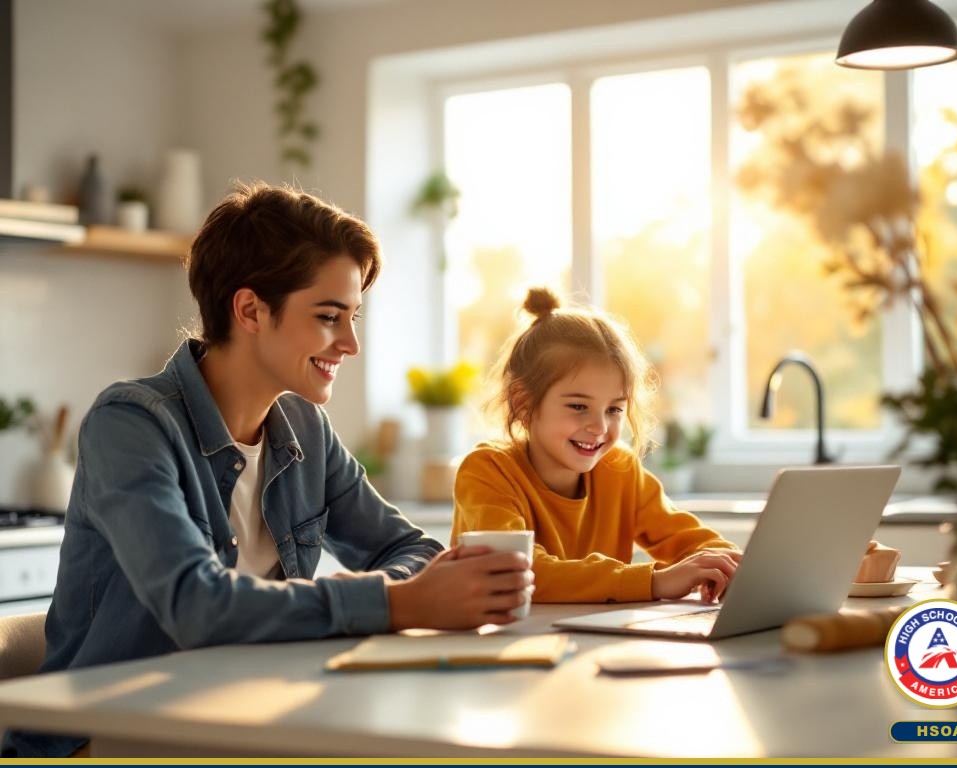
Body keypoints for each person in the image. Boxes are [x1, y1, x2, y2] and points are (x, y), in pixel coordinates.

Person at [2, 183, 531, 758]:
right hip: (108, 739)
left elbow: (408, 549)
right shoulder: (130, 425)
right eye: (329, 316)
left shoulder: (302, 426)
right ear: (251, 310)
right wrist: (395, 603)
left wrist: (404, 591)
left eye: (353, 317)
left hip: (244, 720)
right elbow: (194, 605)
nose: (350, 343)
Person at [451, 287, 740, 604]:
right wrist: (654, 581)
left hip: (586, 641)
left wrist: (729, 563)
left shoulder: (619, 469)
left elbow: (681, 535)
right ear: (523, 403)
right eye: (578, 406)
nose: (600, 427)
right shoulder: (487, 472)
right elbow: (519, 572)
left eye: (614, 409)